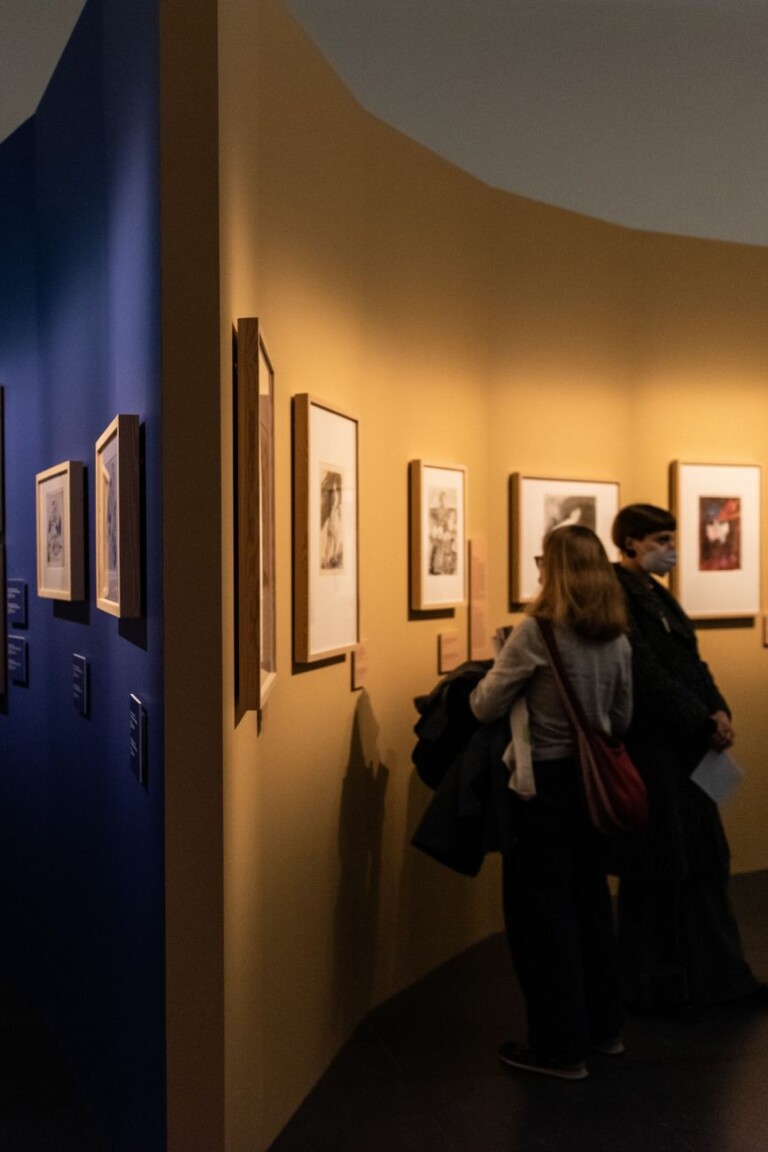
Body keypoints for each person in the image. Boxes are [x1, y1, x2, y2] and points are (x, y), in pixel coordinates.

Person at [470, 525, 632, 1080]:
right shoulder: (617, 637)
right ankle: (604, 1029)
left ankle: (559, 1049)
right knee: (591, 904)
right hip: (593, 789)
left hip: (544, 788)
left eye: (544, 560)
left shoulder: (536, 632)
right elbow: (622, 718)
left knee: (543, 917)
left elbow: (486, 706)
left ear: (556, 568)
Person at [611, 503, 764, 1016]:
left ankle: (715, 978)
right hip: (656, 749)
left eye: (672, 538)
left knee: (703, 861)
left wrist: (717, 709)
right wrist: (703, 718)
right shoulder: (621, 596)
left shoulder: (656, 596)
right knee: (661, 867)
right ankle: (660, 985)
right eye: (659, 539)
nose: (670, 549)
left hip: (684, 746)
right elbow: (646, 673)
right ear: (630, 542)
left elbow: (691, 662)